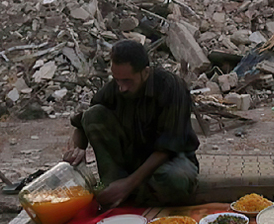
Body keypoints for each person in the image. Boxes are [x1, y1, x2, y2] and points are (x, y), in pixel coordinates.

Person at [63, 39, 200, 210]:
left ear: (145, 72)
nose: (122, 88)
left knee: (176, 180)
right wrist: (79, 149)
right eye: (117, 80)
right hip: (134, 159)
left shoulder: (171, 87)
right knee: (94, 114)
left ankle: (127, 191)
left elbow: (166, 149)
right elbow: (82, 122)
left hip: (171, 160)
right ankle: (115, 186)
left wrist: (128, 184)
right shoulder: (117, 86)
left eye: (127, 81)